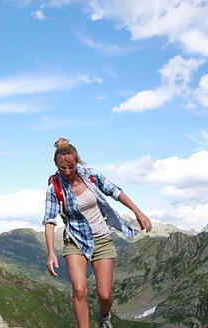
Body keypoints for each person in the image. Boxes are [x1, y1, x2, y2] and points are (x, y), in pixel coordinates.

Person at [42, 138, 152, 328]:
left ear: (77, 162)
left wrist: (138, 212)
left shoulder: (91, 176)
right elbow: (49, 220)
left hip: (101, 240)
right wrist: (51, 252)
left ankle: (104, 317)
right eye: (62, 168)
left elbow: (115, 192)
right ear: (56, 165)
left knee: (105, 295)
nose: (67, 172)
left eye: (71, 167)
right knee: (79, 290)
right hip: (75, 241)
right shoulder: (54, 189)